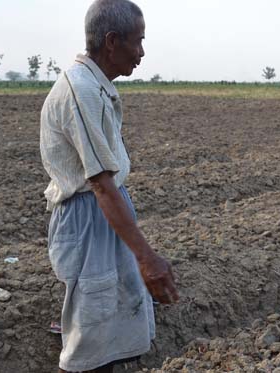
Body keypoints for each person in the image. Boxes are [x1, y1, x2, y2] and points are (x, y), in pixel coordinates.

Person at [39, 1, 179, 372]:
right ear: (113, 41)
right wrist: (147, 257)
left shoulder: (96, 87)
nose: (142, 52)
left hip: (103, 214)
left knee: (110, 331)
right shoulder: (81, 91)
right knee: (92, 343)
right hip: (88, 218)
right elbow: (101, 185)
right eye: (139, 41)